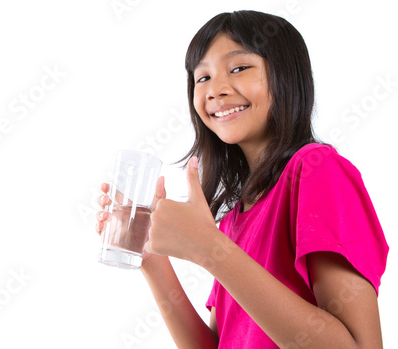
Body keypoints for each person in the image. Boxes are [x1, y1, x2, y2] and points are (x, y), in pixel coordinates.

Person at [95, 10, 389, 348]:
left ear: (286, 77)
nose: (215, 90)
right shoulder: (234, 219)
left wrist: (209, 248)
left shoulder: (317, 170)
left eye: (238, 68)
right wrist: (152, 260)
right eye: (201, 77)